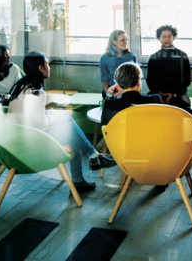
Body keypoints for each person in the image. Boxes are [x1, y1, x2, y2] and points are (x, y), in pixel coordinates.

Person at [7, 51, 116, 193]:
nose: (49, 67)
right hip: (30, 142)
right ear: (40, 68)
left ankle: (86, 169)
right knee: (68, 124)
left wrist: (50, 112)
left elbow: (29, 116)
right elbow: (39, 123)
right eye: (47, 64)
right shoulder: (37, 91)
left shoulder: (21, 86)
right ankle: (93, 157)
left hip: (16, 138)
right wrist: (54, 117)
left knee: (71, 136)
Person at [146, 25, 191, 110]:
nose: (167, 39)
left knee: (183, 106)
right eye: (164, 36)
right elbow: (149, 79)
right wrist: (158, 93)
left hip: (178, 93)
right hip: (157, 93)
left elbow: (187, 80)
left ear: (173, 37)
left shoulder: (182, 56)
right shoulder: (154, 57)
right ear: (159, 38)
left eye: (169, 36)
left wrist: (172, 93)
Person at [100, 30, 137, 97]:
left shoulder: (132, 56)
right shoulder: (105, 58)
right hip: (112, 91)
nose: (126, 42)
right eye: (122, 40)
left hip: (127, 93)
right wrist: (109, 94)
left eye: (126, 40)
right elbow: (104, 80)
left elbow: (135, 79)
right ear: (114, 41)